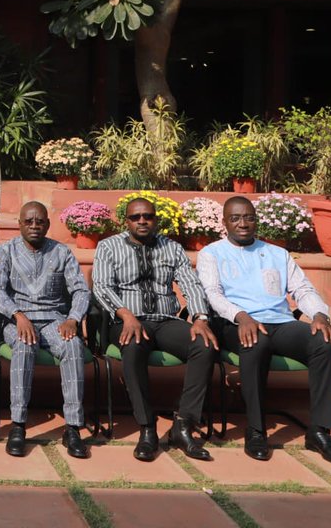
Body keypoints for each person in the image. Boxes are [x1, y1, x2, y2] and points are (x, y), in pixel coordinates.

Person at [197, 196, 331, 465]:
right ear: (224, 223)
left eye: (248, 217)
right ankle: (256, 430)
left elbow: (302, 289)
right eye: (235, 218)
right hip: (235, 323)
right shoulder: (212, 253)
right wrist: (241, 316)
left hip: (280, 322)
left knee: (325, 343)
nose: (243, 223)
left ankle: (319, 431)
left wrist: (320, 315)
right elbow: (212, 294)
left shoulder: (277, 254)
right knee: (255, 343)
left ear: (256, 220)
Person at [92, 197, 218, 462]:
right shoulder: (108, 247)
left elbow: (191, 284)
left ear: (156, 219)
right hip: (127, 320)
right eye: (135, 217)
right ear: (126, 221)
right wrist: (126, 314)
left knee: (204, 345)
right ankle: (147, 428)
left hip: (165, 320)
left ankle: (183, 426)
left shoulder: (171, 248)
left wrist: (200, 318)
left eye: (147, 216)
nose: (142, 221)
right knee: (134, 346)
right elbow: (101, 287)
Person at [0, 201, 91, 459]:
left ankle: (72, 428)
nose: (34, 226)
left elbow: (80, 289)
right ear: (19, 224)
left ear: (47, 224)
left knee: (73, 346)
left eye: (40, 221)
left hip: (55, 320)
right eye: (29, 221)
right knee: (24, 345)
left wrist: (73, 319)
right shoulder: (6, 251)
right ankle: (18, 426)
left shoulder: (61, 252)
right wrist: (17, 314)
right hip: (18, 320)